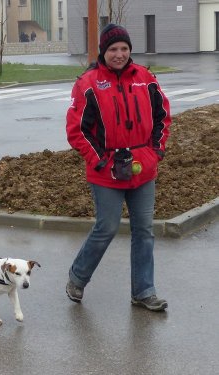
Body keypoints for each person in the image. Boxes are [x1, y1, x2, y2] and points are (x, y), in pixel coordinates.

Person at [64, 24, 171, 312]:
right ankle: (77, 277)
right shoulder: (88, 83)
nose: (119, 54)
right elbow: (77, 131)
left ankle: (144, 291)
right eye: (113, 49)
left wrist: (155, 152)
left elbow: (163, 117)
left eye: (124, 48)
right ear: (104, 51)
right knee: (107, 227)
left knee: (144, 231)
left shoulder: (146, 79)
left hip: (143, 169)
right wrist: (100, 160)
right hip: (106, 170)